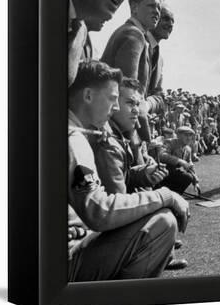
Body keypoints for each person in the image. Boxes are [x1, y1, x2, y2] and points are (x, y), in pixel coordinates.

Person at [67, 61, 190, 281]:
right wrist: (166, 196)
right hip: (63, 265)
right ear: (88, 95)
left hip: (70, 242)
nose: (115, 108)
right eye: (113, 99)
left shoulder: (72, 129)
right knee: (163, 223)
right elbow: (100, 211)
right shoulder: (73, 139)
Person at [101, 0, 163, 141]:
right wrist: (145, 144)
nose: (157, 11)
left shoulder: (132, 33)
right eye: (151, 6)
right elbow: (129, 98)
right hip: (119, 131)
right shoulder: (134, 36)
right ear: (134, 8)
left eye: (158, 7)